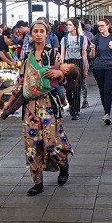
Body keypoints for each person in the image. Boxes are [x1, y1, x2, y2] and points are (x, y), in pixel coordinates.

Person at [9, 21, 72, 195]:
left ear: (46, 34)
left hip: (49, 106)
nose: (38, 34)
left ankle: (63, 164)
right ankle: (37, 182)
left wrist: (60, 74)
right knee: (32, 145)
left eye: (41, 31)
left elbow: (64, 78)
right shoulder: (27, 58)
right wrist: (9, 105)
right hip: (30, 109)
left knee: (53, 143)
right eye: (35, 31)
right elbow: (20, 82)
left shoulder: (54, 54)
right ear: (30, 35)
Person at [89, 18, 112, 125]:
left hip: (111, 67)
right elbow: (92, 56)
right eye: (98, 26)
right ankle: (105, 111)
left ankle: (107, 113)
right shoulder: (96, 38)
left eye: (102, 25)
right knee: (102, 90)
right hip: (98, 67)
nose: (100, 28)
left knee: (108, 90)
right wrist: (93, 49)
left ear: (108, 26)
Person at [60, 18, 89, 120]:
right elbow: (62, 54)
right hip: (68, 63)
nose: (68, 26)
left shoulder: (82, 38)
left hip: (78, 63)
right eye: (67, 25)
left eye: (70, 25)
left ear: (76, 26)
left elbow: (84, 55)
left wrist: (85, 69)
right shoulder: (64, 39)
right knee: (68, 89)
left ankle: (75, 111)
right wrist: (61, 68)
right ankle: (71, 105)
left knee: (77, 89)